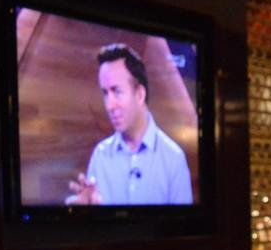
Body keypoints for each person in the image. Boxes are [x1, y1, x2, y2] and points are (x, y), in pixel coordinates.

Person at [66, 43, 193, 205]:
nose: (109, 105)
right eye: (105, 93)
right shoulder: (100, 156)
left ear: (139, 94)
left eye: (117, 91)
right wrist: (86, 212)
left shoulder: (173, 159)